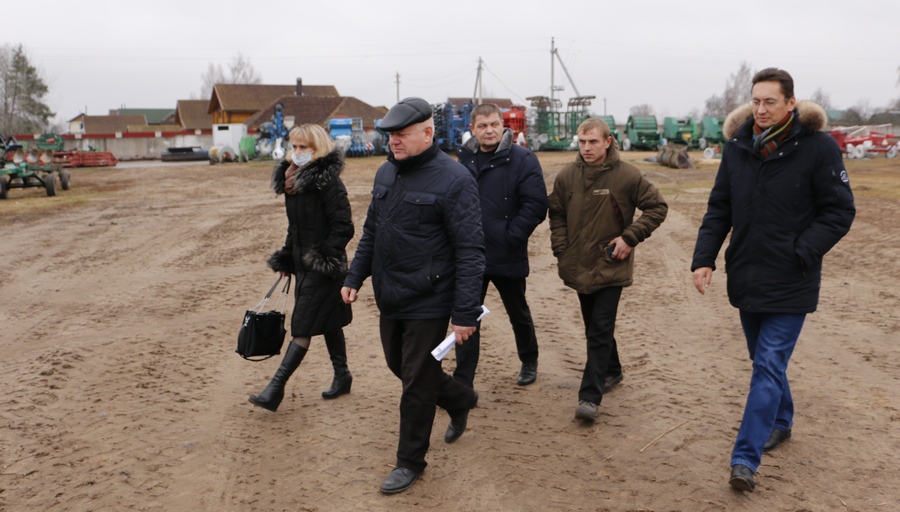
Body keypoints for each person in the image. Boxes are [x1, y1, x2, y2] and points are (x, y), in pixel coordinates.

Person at [691, 68, 855, 492]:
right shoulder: (738, 147)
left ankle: (744, 459)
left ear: (790, 103)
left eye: (770, 101)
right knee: (764, 361)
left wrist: (802, 251)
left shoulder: (818, 148)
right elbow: (719, 208)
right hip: (747, 275)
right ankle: (781, 420)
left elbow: (839, 211)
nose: (761, 110)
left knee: (767, 365)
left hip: (792, 279)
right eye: (756, 101)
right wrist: (704, 259)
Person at [341, 97, 483, 494]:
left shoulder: (455, 180)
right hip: (392, 295)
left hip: (430, 297)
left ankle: (410, 461)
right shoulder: (386, 173)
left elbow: (471, 251)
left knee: (416, 384)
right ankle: (459, 398)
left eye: (402, 134)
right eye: (390, 135)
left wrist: (465, 313)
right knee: (400, 366)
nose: (394, 141)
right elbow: (372, 231)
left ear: (428, 132)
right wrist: (355, 275)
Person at [548, 117, 667, 422]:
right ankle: (612, 370)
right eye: (582, 142)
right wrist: (562, 250)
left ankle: (589, 397)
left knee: (600, 329)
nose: (586, 148)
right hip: (579, 265)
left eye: (593, 142)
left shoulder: (627, 176)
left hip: (610, 263)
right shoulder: (566, 177)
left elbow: (657, 207)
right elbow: (557, 213)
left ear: (608, 141)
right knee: (594, 326)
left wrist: (630, 238)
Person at [249, 123, 354, 412]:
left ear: (317, 149)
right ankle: (342, 375)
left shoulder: (329, 183)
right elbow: (295, 228)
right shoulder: (292, 181)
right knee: (329, 320)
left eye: (303, 147)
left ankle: (275, 389)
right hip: (302, 265)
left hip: (324, 268)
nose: (296, 152)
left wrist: (321, 257)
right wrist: (287, 257)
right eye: (294, 146)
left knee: (302, 325)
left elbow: (344, 227)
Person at [453, 103, 548, 388]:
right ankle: (463, 381)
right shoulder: (463, 160)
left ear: (503, 125)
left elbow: (535, 205)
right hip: (471, 256)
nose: (489, 130)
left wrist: (511, 236)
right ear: (473, 129)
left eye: (494, 124)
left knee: (518, 312)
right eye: (482, 126)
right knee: (467, 316)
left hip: (507, 252)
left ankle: (529, 360)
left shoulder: (523, 158)